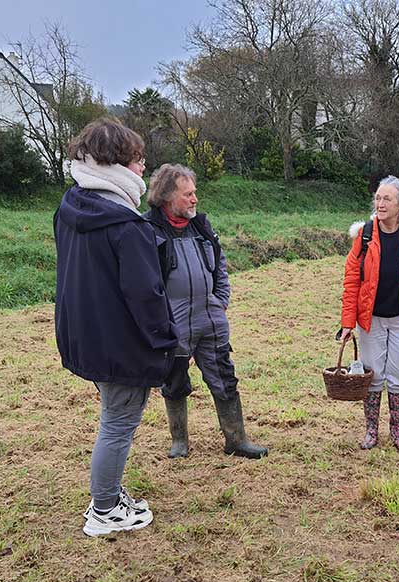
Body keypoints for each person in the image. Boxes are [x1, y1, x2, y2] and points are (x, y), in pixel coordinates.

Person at [54, 119, 179, 537]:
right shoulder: (128, 227)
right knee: (118, 422)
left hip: (86, 335)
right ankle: (104, 510)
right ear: (118, 163)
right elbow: (147, 298)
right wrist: (167, 346)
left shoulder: (71, 206)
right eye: (139, 160)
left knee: (113, 416)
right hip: (121, 343)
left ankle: (108, 494)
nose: (144, 168)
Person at [143, 164, 268, 460]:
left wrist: (220, 299)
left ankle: (236, 440)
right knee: (174, 381)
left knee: (224, 377)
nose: (194, 199)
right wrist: (160, 320)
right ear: (167, 197)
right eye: (188, 194)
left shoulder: (201, 227)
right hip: (172, 324)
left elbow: (220, 264)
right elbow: (143, 282)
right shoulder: (147, 230)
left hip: (210, 319)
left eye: (194, 193)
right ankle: (179, 442)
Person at [340, 176, 399, 453]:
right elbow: (352, 280)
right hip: (371, 319)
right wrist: (347, 323)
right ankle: (371, 431)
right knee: (372, 376)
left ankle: (398, 432)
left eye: (387, 198)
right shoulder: (364, 235)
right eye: (378, 198)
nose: (380, 203)